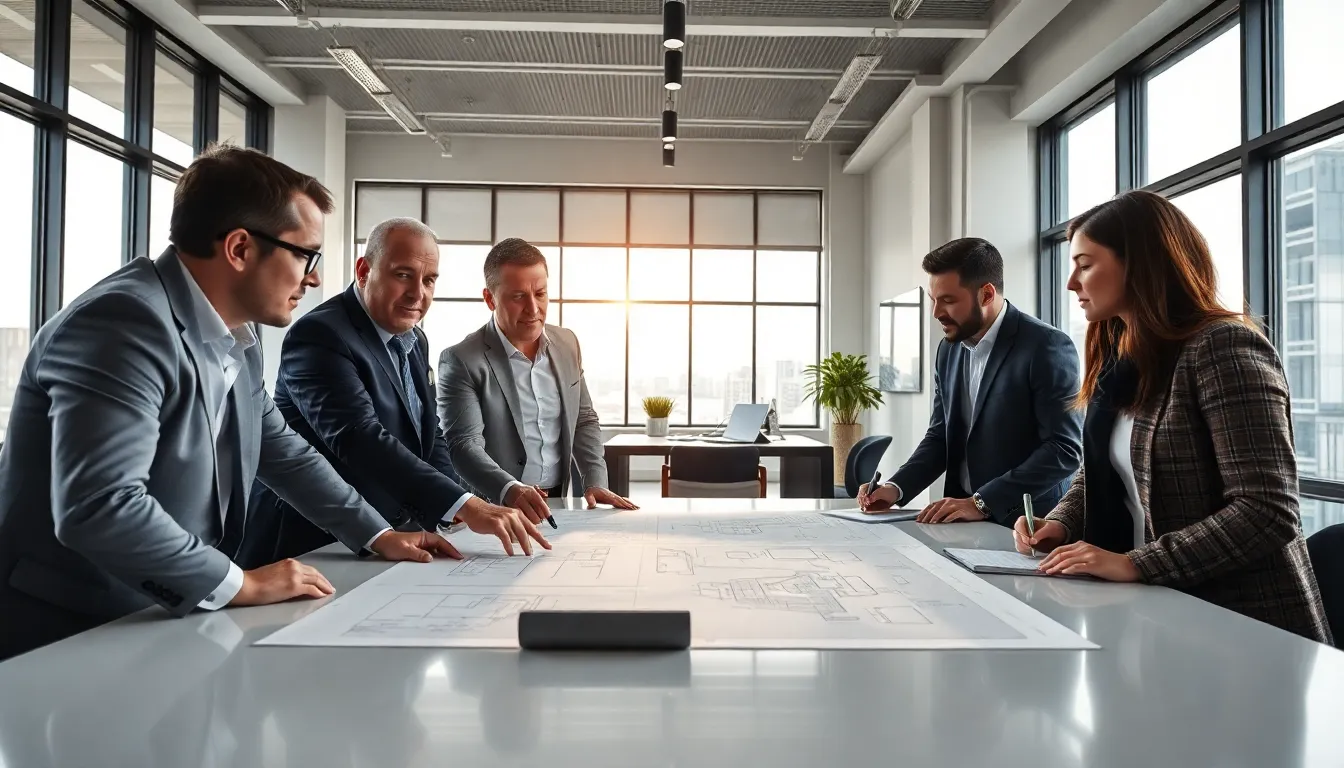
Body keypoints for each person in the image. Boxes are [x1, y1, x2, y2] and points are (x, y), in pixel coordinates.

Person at [0, 145, 459, 661]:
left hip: (163, 621)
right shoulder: (125, 324)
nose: (312, 279)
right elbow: (100, 506)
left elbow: (281, 451)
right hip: (76, 629)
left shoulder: (237, 333)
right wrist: (239, 583)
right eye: (305, 255)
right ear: (240, 249)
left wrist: (377, 534)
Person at [1014, 189, 1331, 644]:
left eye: (1085, 264)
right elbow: (1101, 471)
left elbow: (1267, 510)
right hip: (1146, 614)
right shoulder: (1120, 357)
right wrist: (1060, 523)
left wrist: (1137, 563)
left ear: (1139, 264)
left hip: (1239, 622)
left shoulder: (1222, 347)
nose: (1071, 282)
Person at [243, 217, 549, 568]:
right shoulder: (320, 334)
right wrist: (465, 503)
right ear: (363, 271)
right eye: (403, 275)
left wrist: (452, 515)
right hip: (313, 541)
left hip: (392, 534)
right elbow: (360, 438)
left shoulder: (414, 338)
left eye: (429, 280)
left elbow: (429, 435)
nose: (418, 293)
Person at [857, 237, 1083, 526]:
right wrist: (895, 488)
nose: (937, 312)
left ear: (987, 294)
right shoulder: (948, 349)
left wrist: (981, 503)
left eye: (948, 300)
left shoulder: (1046, 346)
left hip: (1027, 525)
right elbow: (941, 436)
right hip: (959, 521)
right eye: (934, 300)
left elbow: (1064, 449)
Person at [438, 238, 637, 520]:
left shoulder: (567, 343)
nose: (533, 309)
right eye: (518, 296)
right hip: (494, 507)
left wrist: (595, 480)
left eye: (540, 293)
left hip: (557, 501)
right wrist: (510, 488)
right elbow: (463, 445)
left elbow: (583, 419)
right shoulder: (462, 359)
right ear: (489, 298)